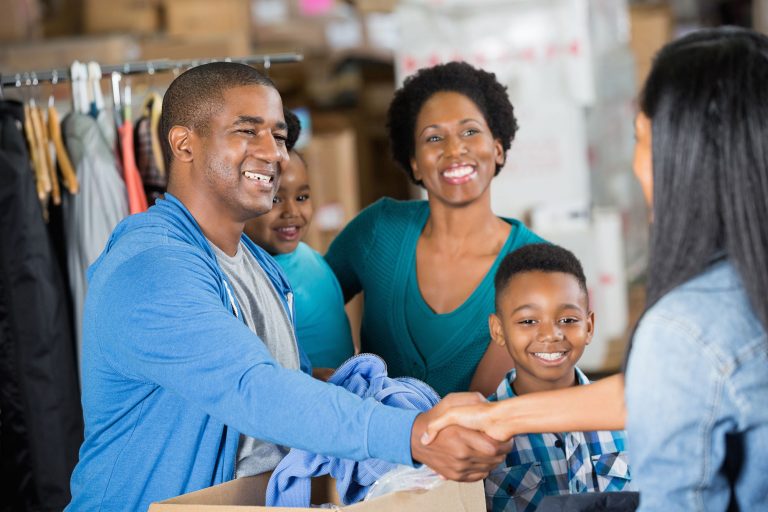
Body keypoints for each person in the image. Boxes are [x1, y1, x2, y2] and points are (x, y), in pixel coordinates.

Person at [65, 62, 511, 511]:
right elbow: (252, 389)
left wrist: (386, 401)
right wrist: (411, 434)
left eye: (278, 136)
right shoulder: (151, 268)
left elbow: (283, 382)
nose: (274, 153)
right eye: (246, 131)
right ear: (184, 144)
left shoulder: (258, 263)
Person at [421, 27, 768, 511]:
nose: (635, 165)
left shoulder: (685, 328)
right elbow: (670, 391)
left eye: (642, 140)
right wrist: (500, 418)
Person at [325, 61, 545, 397]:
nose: (454, 149)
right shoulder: (378, 231)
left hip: (487, 447)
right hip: (369, 447)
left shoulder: (535, 267)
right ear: (414, 161)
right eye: (434, 137)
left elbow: (497, 413)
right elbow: (305, 301)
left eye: (470, 131)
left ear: (497, 149)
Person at [484, 243, 631, 511]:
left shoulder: (627, 416)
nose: (551, 334)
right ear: (498, 330)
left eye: (567, 320)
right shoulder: (481, 435)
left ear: (589, 327)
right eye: (528, 321)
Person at [244, 111, 354, 379]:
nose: (292, 211)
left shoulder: (312, 259)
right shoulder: (245, 274)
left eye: (302, 196)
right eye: (275, 199)